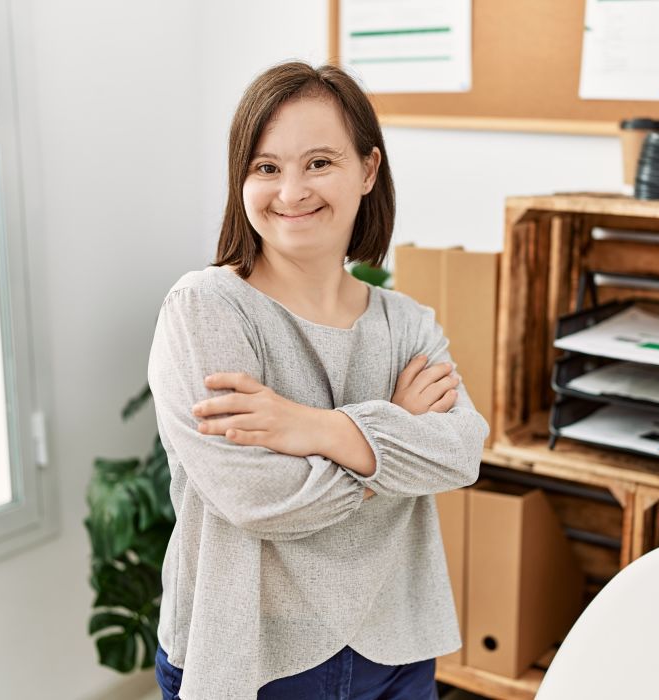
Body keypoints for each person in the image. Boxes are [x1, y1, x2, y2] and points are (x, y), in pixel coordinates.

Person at [147, 60, 489, 700]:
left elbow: (461, 452)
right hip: (250, 653)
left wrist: (314, 428)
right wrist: (392, 438)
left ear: (368, 170)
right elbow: (258, 499)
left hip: (396, 648)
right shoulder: (205, 309)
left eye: (320, 162)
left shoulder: (407, 323)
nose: (291, 190)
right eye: (266, 167)